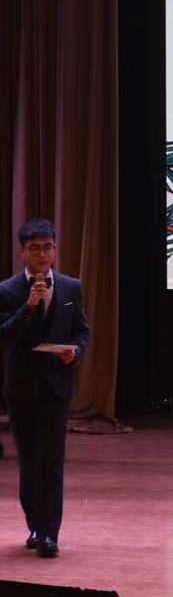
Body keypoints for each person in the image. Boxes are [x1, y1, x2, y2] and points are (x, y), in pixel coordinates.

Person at [0, 217, 91, 558]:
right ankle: (35, 525)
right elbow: (5, 336)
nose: (42, 254)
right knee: (29, 461)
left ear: (55, 250)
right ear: (22, 252)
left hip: (56, 387)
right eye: (35, 249)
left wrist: (75, 352)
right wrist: (29, 307)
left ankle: (49, 534)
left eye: (48, 248)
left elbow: (81, 331)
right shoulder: (7, 290)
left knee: (52, 462)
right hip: (22, 388)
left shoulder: (71, 287)